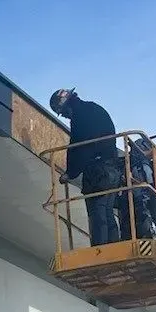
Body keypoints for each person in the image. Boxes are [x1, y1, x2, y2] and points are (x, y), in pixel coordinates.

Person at [49, 88, 126, 246]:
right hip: (112, 169)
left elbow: (79, 147)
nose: (65, 116)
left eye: (63, 113)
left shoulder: (80, 117)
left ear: (67, 106)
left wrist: (71, 173)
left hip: (97, 171)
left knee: (97, 212)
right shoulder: (95, 108)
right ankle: (115, 247)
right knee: (108, 212)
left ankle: (101, 251)